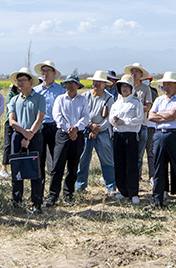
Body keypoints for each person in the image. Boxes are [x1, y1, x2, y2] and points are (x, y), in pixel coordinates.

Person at [4, 68, 47, 212]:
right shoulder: (14, 99)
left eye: (22, 80)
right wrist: (24, 134)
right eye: (18, 81)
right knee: (17, 168)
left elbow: (39, 118)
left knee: (36, 169)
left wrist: (30, 135)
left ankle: (37, 202)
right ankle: (17, 201)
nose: (19, 83)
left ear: (30, 82)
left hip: (35, 136)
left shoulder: (39, 98)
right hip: (18, 136)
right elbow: (12, 120)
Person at [148, 73, 176, 208]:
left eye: (169, 84)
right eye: (164, 84)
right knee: (158, 169)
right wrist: (165, 116)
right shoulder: (158, 100)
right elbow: (150, 116)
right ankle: (157, 201)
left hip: (175, 135)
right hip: (159, 135)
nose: (165, 87)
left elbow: (175, 114)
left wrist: (159, 115)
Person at [47, 75, 91, 205]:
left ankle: (68, 195)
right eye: (67, 83)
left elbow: (85, 117)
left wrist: (76, 128)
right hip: (62, 134)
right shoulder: (60, 99)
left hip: (78, 134)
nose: (69, 86)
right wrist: (68, 129)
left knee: (73, 166)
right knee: (57, 165)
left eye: (72, 83)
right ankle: (53, 196)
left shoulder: (82, 100)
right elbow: (57, 116)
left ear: (78, 85)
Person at [107, 75, 146, 203]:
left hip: (131, 135)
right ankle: (123, 191)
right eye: (122, 86)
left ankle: (133, 192)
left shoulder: (136, 102)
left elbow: (139, 119)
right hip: (118, 135)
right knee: (119, 163)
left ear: (131, 88)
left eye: (126, 86)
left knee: (132, 164)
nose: (124, 89)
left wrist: (124, 121)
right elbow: (111, 119)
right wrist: (116, 121)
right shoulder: (116, 103)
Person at [79, 72, 118, 197]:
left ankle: (111, 187)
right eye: (95, 81)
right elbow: (83, 114)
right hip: (86, 130)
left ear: (105, 84)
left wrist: (98, 128)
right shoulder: (85, 96)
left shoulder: (109, 98)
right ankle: (80, 186)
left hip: (103, 132)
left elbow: (110, 118)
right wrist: (91, 125)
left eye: (100, 82)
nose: (96, 84)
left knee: (107, 160)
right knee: (83, 159)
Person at [34, 60, 66, 195]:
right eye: (43, 71)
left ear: (53, 73)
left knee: (56, 161)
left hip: (55, 127)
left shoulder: (60, 91)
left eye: (47, 71)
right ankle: (38, 193)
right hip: (39, 128)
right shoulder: (36, 91)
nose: (44, 74)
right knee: (39, 161)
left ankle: (54, 193)